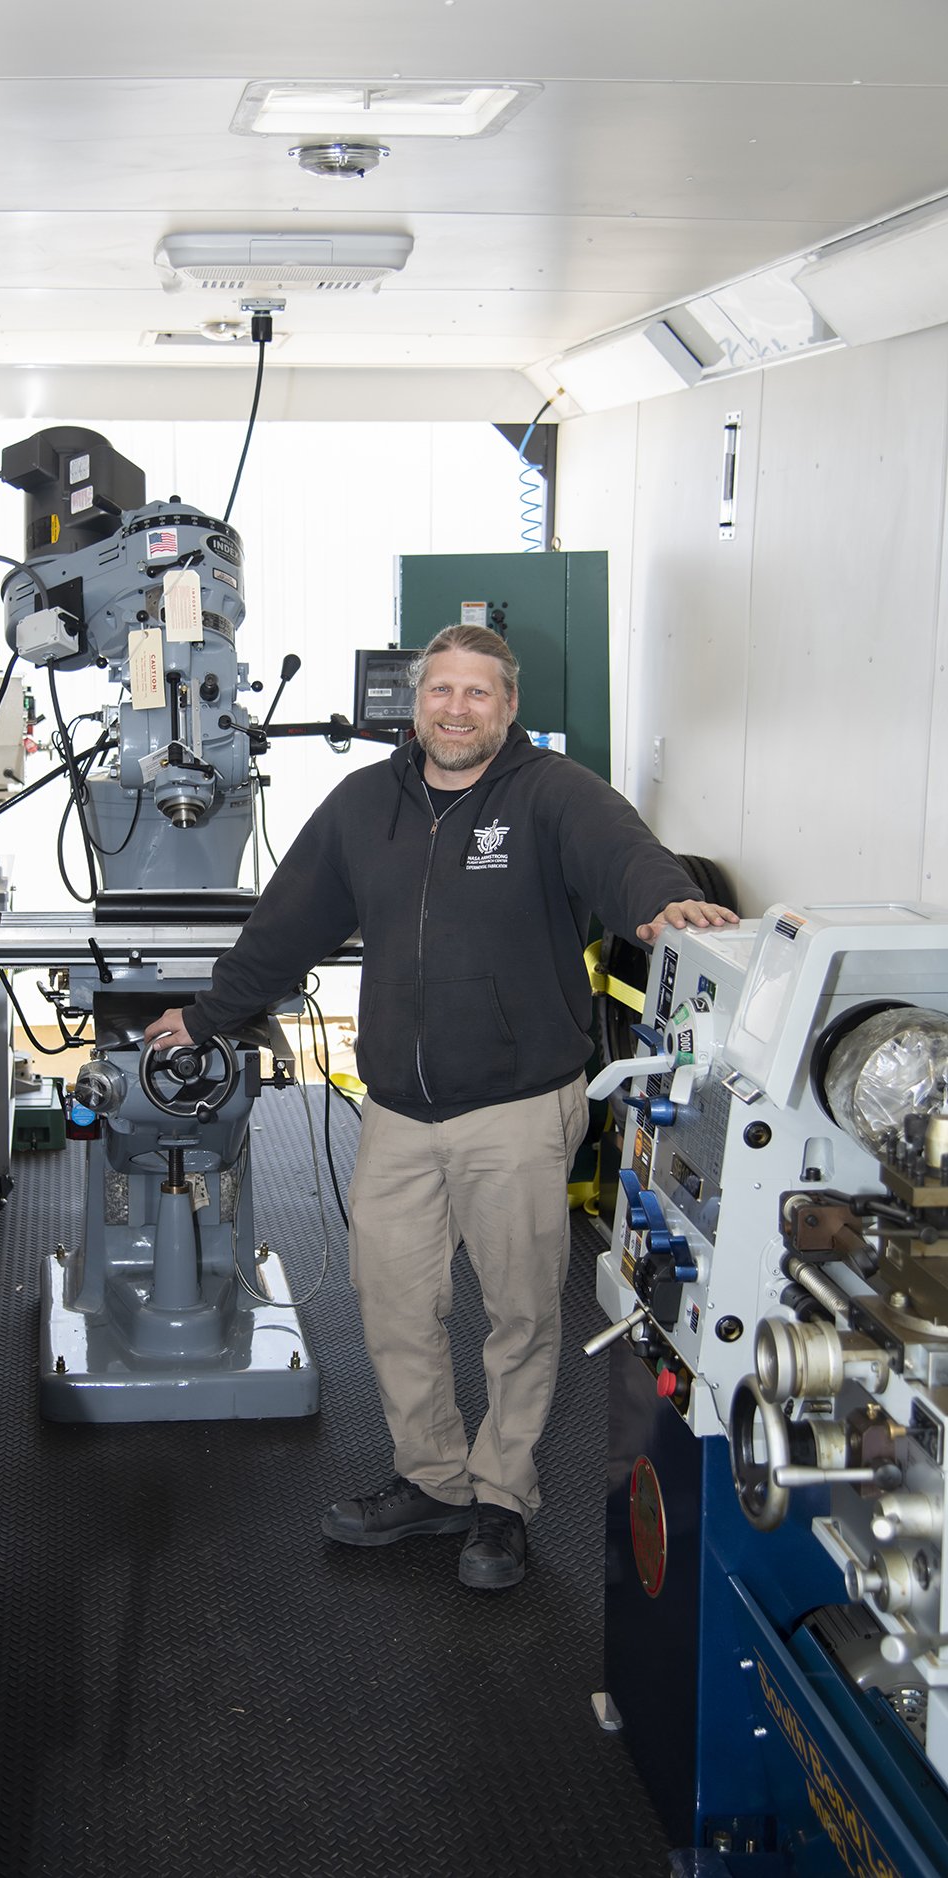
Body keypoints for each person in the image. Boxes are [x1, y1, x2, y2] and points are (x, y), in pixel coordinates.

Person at [148, 624, 735, 1590]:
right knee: (393, 1304)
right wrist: (213, 1014)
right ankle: (433, 1478)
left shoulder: (554, 796)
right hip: (398, 1113)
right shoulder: (364, 805)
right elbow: (287, 920)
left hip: (515, 1107)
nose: (456, 710)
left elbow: (626, 856)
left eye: (478, 694)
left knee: (518, 1312)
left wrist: (667, 902)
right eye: (440, 692)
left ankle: (503, 1496)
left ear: (508, 708)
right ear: (416, 703)